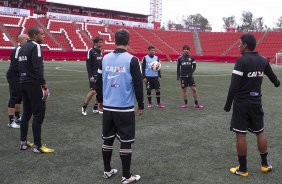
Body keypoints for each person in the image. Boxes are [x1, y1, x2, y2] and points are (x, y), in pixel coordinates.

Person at [224, 33, 280, 176]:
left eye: (240, 43)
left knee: (241, 135)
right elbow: (273, 77)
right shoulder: (262, 60)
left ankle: (242, 169)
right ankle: (265, 165)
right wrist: (277, 83)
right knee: (260, 132)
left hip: (242, 104)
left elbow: (233, 86)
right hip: (256, 102)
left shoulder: (241, 61)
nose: (238, 46)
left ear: (245, 46)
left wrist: (228, 105)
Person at [96, 29, 144, 184]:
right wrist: (141, 104)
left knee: (107, 140)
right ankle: (126, 176)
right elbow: (138, 84)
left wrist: (100, 100)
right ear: (128, 41)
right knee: (126, 140)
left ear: (114, 40)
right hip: (124, 108)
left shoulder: (104, 58)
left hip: (108, 108)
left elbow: (98, 81)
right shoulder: (133, 60)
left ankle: (107, 171)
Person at [18, 26, 54, 153]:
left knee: (26, 113)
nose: (43, 36)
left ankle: (23, 142)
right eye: (42, 34)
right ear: (34, 35)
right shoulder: (35, 46)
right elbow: (38, 67)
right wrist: (43, 85)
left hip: (23, 83)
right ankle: (37, 146)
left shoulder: (22, 48)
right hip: (33, 84)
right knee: (38, 114)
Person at [6, 34, 29, 128]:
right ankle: (11, 122)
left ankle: (17, 117)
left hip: (20, 75)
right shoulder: (19, 49)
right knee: (14, 96)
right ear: (22, 40)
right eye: (27, 39)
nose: (29, 41)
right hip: (14, 75)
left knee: (20, 97)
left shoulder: (24, 49)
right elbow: (16, 65)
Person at [81, 36, 103, 116]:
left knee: (99, 91)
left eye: (102, 42)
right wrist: (91, 76)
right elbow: (88, 64)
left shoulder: (100, 51)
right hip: (93, 75)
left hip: (100, 75)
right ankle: (84, 107)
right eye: (100, 42)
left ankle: (95, 108)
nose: (102, 44)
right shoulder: (90, 51)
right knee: (93, 91)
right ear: (95, 43)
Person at [177, 45, 204, 109]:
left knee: (194, 90)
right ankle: (186, 104)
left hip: (190, 77)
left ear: (189, 50)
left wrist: (190, 73)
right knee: (184, 90)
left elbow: (194, 67)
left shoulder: (192, 58)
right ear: (183, 50)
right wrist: (178, 77)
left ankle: (196, 104)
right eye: (185, 49)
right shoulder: (180, 58)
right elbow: (178, 68)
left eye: (187, 49)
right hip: (183, 76)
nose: (186, 50)